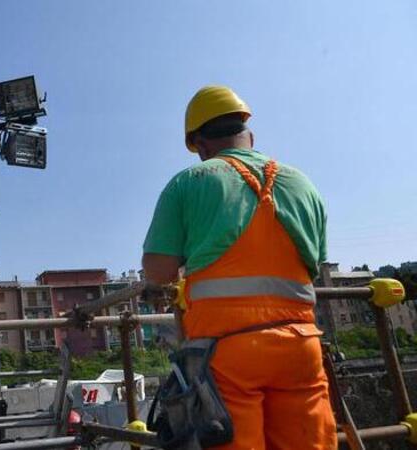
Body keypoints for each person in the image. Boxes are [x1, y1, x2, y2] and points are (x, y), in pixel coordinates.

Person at [141, 86, 337, 449]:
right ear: (250, 135)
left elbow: (158, 272)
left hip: (227, 354)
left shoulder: (190, 182)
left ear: (199, 144)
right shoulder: (303, 184)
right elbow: (315, 262)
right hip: (301, 348)